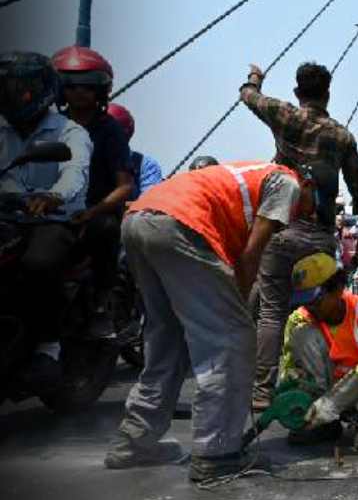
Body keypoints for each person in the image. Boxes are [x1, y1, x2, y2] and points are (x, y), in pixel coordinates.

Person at [105, 160, 312, 482]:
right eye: (307, 210)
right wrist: (236, 311)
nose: (300, 217)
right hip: (180, 224)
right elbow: (250, 257)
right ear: (310, 188)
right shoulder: (288, 183)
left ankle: (135, 442)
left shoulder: (244, 175)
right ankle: (216, 453)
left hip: (139, 219)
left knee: (168, 339)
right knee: (232, 341)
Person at [240, 61, 358, 412]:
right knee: (320, 311)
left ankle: (262, 390)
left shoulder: (285, 116)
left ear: (298, 93)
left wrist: (255, 78)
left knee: (271, 312)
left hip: (281, 231)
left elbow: (249, 96)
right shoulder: (342, 136)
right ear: (327, 94)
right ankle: (328, 383)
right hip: (320, 239)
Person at [0, 51, 92, 385]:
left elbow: (75, 172)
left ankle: (47, 346)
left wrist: (53, 196)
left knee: (38, 263)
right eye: (5, 87)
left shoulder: (69, 132)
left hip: (52, 219)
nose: (11, 96)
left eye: (20, 89)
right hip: (8, 217)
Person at [276, 252, 358, 451]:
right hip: (324, 394)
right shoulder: (301, 319)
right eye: (305, 302)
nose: (310, 308)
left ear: (337, 289)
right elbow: (288, 365)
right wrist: (290, 392)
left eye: (316, 301)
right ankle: (325, 424)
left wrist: (336, 401)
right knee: (301, 334)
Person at [52, 46, 134, 334]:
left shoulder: (109, 129)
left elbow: (125, 186)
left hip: (95, 210)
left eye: (87, 86)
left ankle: (102, 303)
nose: (78, 93)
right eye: (71, 85)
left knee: (106, 229)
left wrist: (92, 211)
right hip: (52, 209)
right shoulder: (50, 126)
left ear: (100, 90)